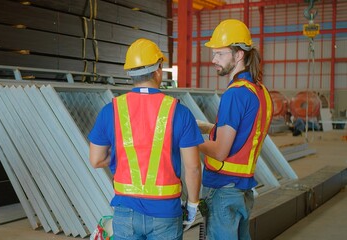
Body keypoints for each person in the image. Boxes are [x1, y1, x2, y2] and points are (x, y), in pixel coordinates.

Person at [88, 38, 204, 240]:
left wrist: (120, 155)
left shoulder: (111, 110)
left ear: (130, 73)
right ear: (158, 70)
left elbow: (96, 159)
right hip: (166, 212)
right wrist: (193, 205)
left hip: (125, 212)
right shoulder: (179, 112)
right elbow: (193, 168)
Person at [198, 19, 273, 240]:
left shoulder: (234, 94)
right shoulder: (260, 91)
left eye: (220, 54)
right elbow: (246, 133)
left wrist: (188, 136)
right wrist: (208, 127)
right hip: (242, 188)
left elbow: (221, 151)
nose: (213, 60)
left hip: (222, 188)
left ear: (238, 55)